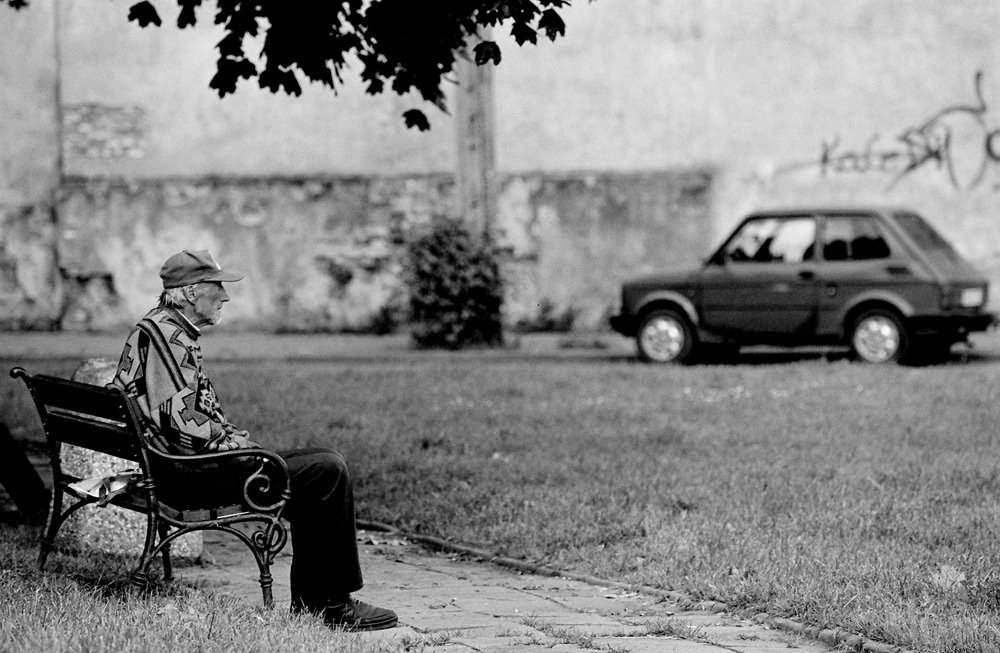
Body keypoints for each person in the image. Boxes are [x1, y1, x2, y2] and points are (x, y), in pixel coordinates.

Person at [112, 249, 397, 631]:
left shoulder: (159, 327)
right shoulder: (169, 338)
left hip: (172, 468)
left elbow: (175, 416)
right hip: (188, 478)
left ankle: (317, 601)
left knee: (321, 463)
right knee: (327, 471)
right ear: (192, 292)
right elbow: (182, 427)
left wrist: (234, 441)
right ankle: (328, 604)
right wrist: (239, 447)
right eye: (218, 286)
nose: (226, 296)